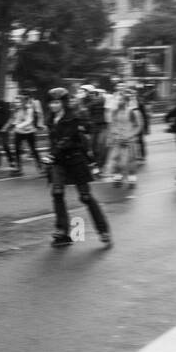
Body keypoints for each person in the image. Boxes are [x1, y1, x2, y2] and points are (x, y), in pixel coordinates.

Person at [43, 86, 110, 246]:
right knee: (57, 194)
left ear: (64, 103)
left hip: (75, 159)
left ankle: (103, 230)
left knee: (85, 197)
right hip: (59, 162)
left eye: (57, 102)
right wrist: (50, 156)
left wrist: (52, 155)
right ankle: (62, 232)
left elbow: (66, 140)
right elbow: (53, 141)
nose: (53, 106)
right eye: (51, 103)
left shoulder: (73, 118)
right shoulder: (51, 120)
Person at [106, 88, 144, 187]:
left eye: (120, 99)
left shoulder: (132, 112)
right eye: (117, 99)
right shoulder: (114, 112)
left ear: (126, 101)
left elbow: (139, 126)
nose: (118, 101)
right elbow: (112, 124)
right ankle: (117, 178)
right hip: (117, 140)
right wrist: (113, 135)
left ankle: (132, 180)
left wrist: (130, 135)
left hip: (129, 141)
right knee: (116, 159)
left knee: (130, 161)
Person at [8, 92, 46, 174]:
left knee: (33, 149)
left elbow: (29, 120)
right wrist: (11, 126)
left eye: (18, 102)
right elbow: (14, 120)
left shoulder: (29, 109)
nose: (16, 103)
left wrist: (18, 126)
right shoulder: (15, 110)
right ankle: (18, 168)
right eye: (15, 102)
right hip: (19, 132)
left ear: (22, 102)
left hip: (29, 132)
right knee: (17, 150)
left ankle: (40, 166)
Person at [80, 85, 111, 179]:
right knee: (92, 148)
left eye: (82, 91)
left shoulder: (99, 99)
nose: (81, 93)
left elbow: (89, 106)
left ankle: (100, 166)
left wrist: (83, 106)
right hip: (92, 127)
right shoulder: (84, 101)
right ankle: (97, 166)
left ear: (89, 91)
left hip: (102, 126)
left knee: (101, 146)